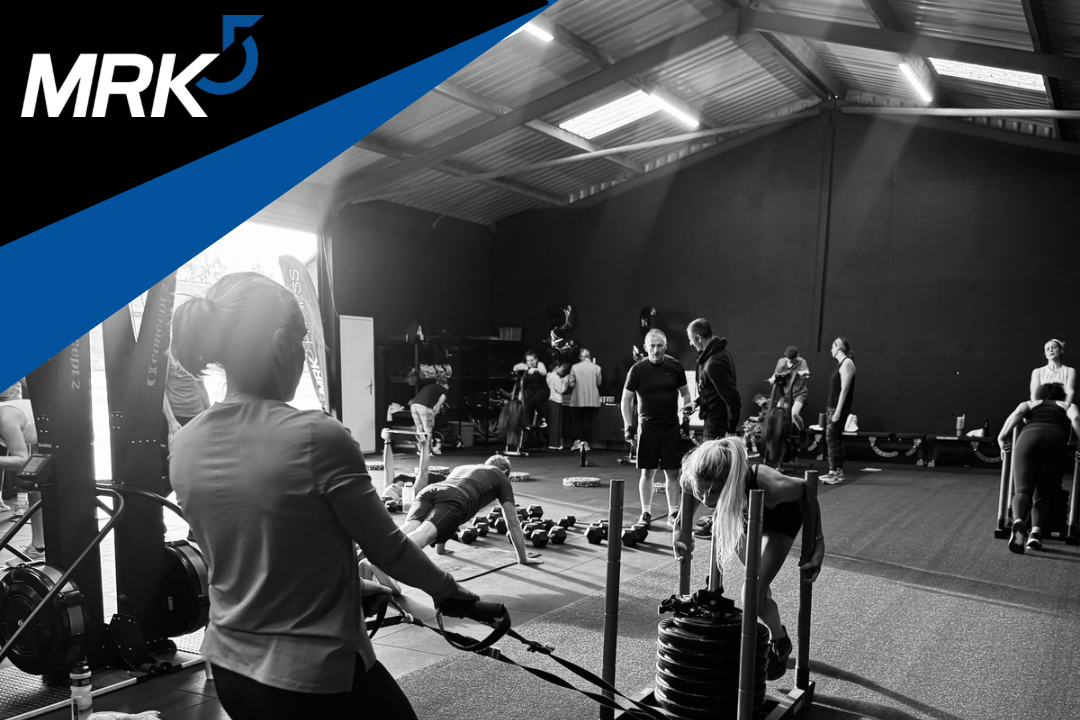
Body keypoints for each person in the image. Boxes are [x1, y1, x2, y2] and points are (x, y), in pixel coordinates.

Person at [168, 272, 479, 720]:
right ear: (281, 344)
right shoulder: (317, 436)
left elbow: (259, 548)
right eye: (302, 343)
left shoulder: (185, 443)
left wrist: (348, 584)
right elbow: (388, 548)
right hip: (316, 679)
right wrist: (450, 594)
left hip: (230, 670)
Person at [671, 438, 824, 681]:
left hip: (780, 519)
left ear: (731, 481)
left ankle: (777, 639)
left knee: (750, 592)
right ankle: (781, 638)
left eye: (715, 492)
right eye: (702, 491)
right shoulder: (695, 476)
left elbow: (807, 491)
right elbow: (689, 496)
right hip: (742, 513)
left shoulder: (770, 484)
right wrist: (680, 530)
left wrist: (818, 544)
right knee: (757, 591)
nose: (707, 499)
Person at [397, 455, 542, 565]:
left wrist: (440, 549)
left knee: (410, 526)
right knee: (423, 534)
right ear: (505, 472)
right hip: (457, 497)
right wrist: (523, 559)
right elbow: (513, 523)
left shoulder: (461, 468)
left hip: (430, 490)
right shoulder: (500, 476)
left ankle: (379, 552)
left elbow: (443, 511)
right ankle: (386, 562)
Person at [621, 329, 692, 528]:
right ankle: (646, 513)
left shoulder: (675, 366)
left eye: (660, 345)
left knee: (672, 473)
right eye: (652, 346)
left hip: (671, 427)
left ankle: (673, 513)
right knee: (647, 472)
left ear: (665, 346)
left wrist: (684, 417)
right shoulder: (637, 369)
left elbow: (685, 394)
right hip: (647, 429)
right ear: (645, 348)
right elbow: (626, 399)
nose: (656, 350)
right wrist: (628, 426)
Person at [998, 383, 1080, 553]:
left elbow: (1018, 414)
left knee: (1022, 490)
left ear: (1041, 396)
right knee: (1043, 494)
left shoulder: (1029, 404)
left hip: (1028, 438)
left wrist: (1001, 437)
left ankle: (1019, 521)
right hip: (1055, 440)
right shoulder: (1068, 405)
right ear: (1061, 396)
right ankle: (1035, 533)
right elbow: (1076, 420)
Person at [1, 384, 43, 562]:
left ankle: (41, 547)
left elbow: (22, 459)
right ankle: (39, 547)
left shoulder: (4, 419)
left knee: (37, 481)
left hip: (69, 434)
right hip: (49, 435)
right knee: (34, 484)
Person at [686, 319, 741, 440]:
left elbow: (733, 399)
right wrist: (697, 402)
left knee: (712, 459)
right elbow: (712, 390)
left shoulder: (714, 364)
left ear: (699, 338)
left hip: (717, 428)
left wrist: (731, 430)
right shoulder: (717, 356)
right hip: (714, 424)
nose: (690, 343)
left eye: (691, 339)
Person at [822, 337, 856, 485]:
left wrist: (837, 411)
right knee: (835, 440)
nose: (831, 349)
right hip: (833, 407)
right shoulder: (841, 364)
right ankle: (839, 472)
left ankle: (833, 473)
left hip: (836, 408)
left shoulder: (847, 363)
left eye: (832, 346)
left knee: (832, 440)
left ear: (839, 348)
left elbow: (845, 390)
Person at [768, 346, 811, 431]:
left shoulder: (801, 361)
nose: (790, 362)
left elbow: (807, 373)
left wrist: (798, 373)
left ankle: (802, 432)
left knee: (794, 414)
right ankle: (782, 434)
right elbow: (776, 374)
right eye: (788, 359)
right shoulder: (781, 362)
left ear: (797, 355)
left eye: (793, 359)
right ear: (785, 355)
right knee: (778, 414)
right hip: (787, 395)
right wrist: (772, 379)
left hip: (800, 393)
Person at [569, 348, 602, 452]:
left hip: (578, 398)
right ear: (589, 356)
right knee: (587, 421)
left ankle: (577, 443)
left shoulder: (574, 367)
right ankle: (585, 443)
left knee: (578, 421)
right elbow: (599, 383)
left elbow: (571, 383)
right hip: (592, 398)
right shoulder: (597, 368)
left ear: (580, 357)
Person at [408, 377, 449, 455]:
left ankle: (420, 449)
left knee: (419, 428)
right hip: (424, 407)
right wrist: (433, 416)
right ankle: (427, 450)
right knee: (428, 430)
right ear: (446, 385)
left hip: (414, 405)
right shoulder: (444, 390)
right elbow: (438, 405)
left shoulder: (430, 386)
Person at [1029, 339, 1075, 406]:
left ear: (1061, 350)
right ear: (1045, 354)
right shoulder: (1037, 372)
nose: (1051, 350)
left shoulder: (1070, 370)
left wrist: (1066, 406)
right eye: (1047, 349)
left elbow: (1070, 391)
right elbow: (1034, 393)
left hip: (1062, 405)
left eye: (1054, 348)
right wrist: (1037, 408)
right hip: (1042, 405)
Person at [513, 350, 550, 430]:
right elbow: (515, 367)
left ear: (536, 359)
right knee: (526, 401)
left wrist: (535, 370)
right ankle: (527, 425)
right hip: (532, 392)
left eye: (532, 360)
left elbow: (544, 372)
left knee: (536, 398)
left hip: (543, 390)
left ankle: (542, 419)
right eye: (528, 360)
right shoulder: (526, 365)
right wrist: (522, 369)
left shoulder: (539, 364)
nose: (530, 362)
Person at [545, 363, 572, 450]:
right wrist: (565, 382)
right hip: (556, 400)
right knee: (556, 424)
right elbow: (560, 389)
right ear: (556, 367)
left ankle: (555, 443)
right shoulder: (555, 377)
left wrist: (563, 379)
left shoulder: (549, 376)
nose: (562, 370)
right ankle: (554, 444)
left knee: (554, 423)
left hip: (551, 400)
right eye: (561, 368)